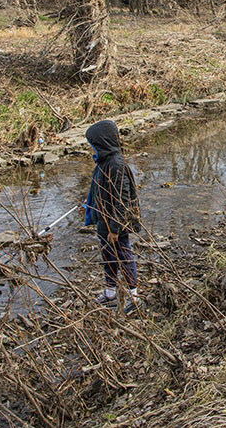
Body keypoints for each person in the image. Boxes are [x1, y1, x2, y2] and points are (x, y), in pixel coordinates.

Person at [83, 120, 142, 316]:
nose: (92, 148)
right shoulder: (103, 162)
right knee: (108, 258)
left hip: (115, 224)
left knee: (124, 256)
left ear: (103, 142)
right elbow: (100, 190)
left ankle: (134, 297)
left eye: (93, 144)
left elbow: (122, 199)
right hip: (103, 220)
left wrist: (115, 229)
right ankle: (110, 294)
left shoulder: (116, 165)